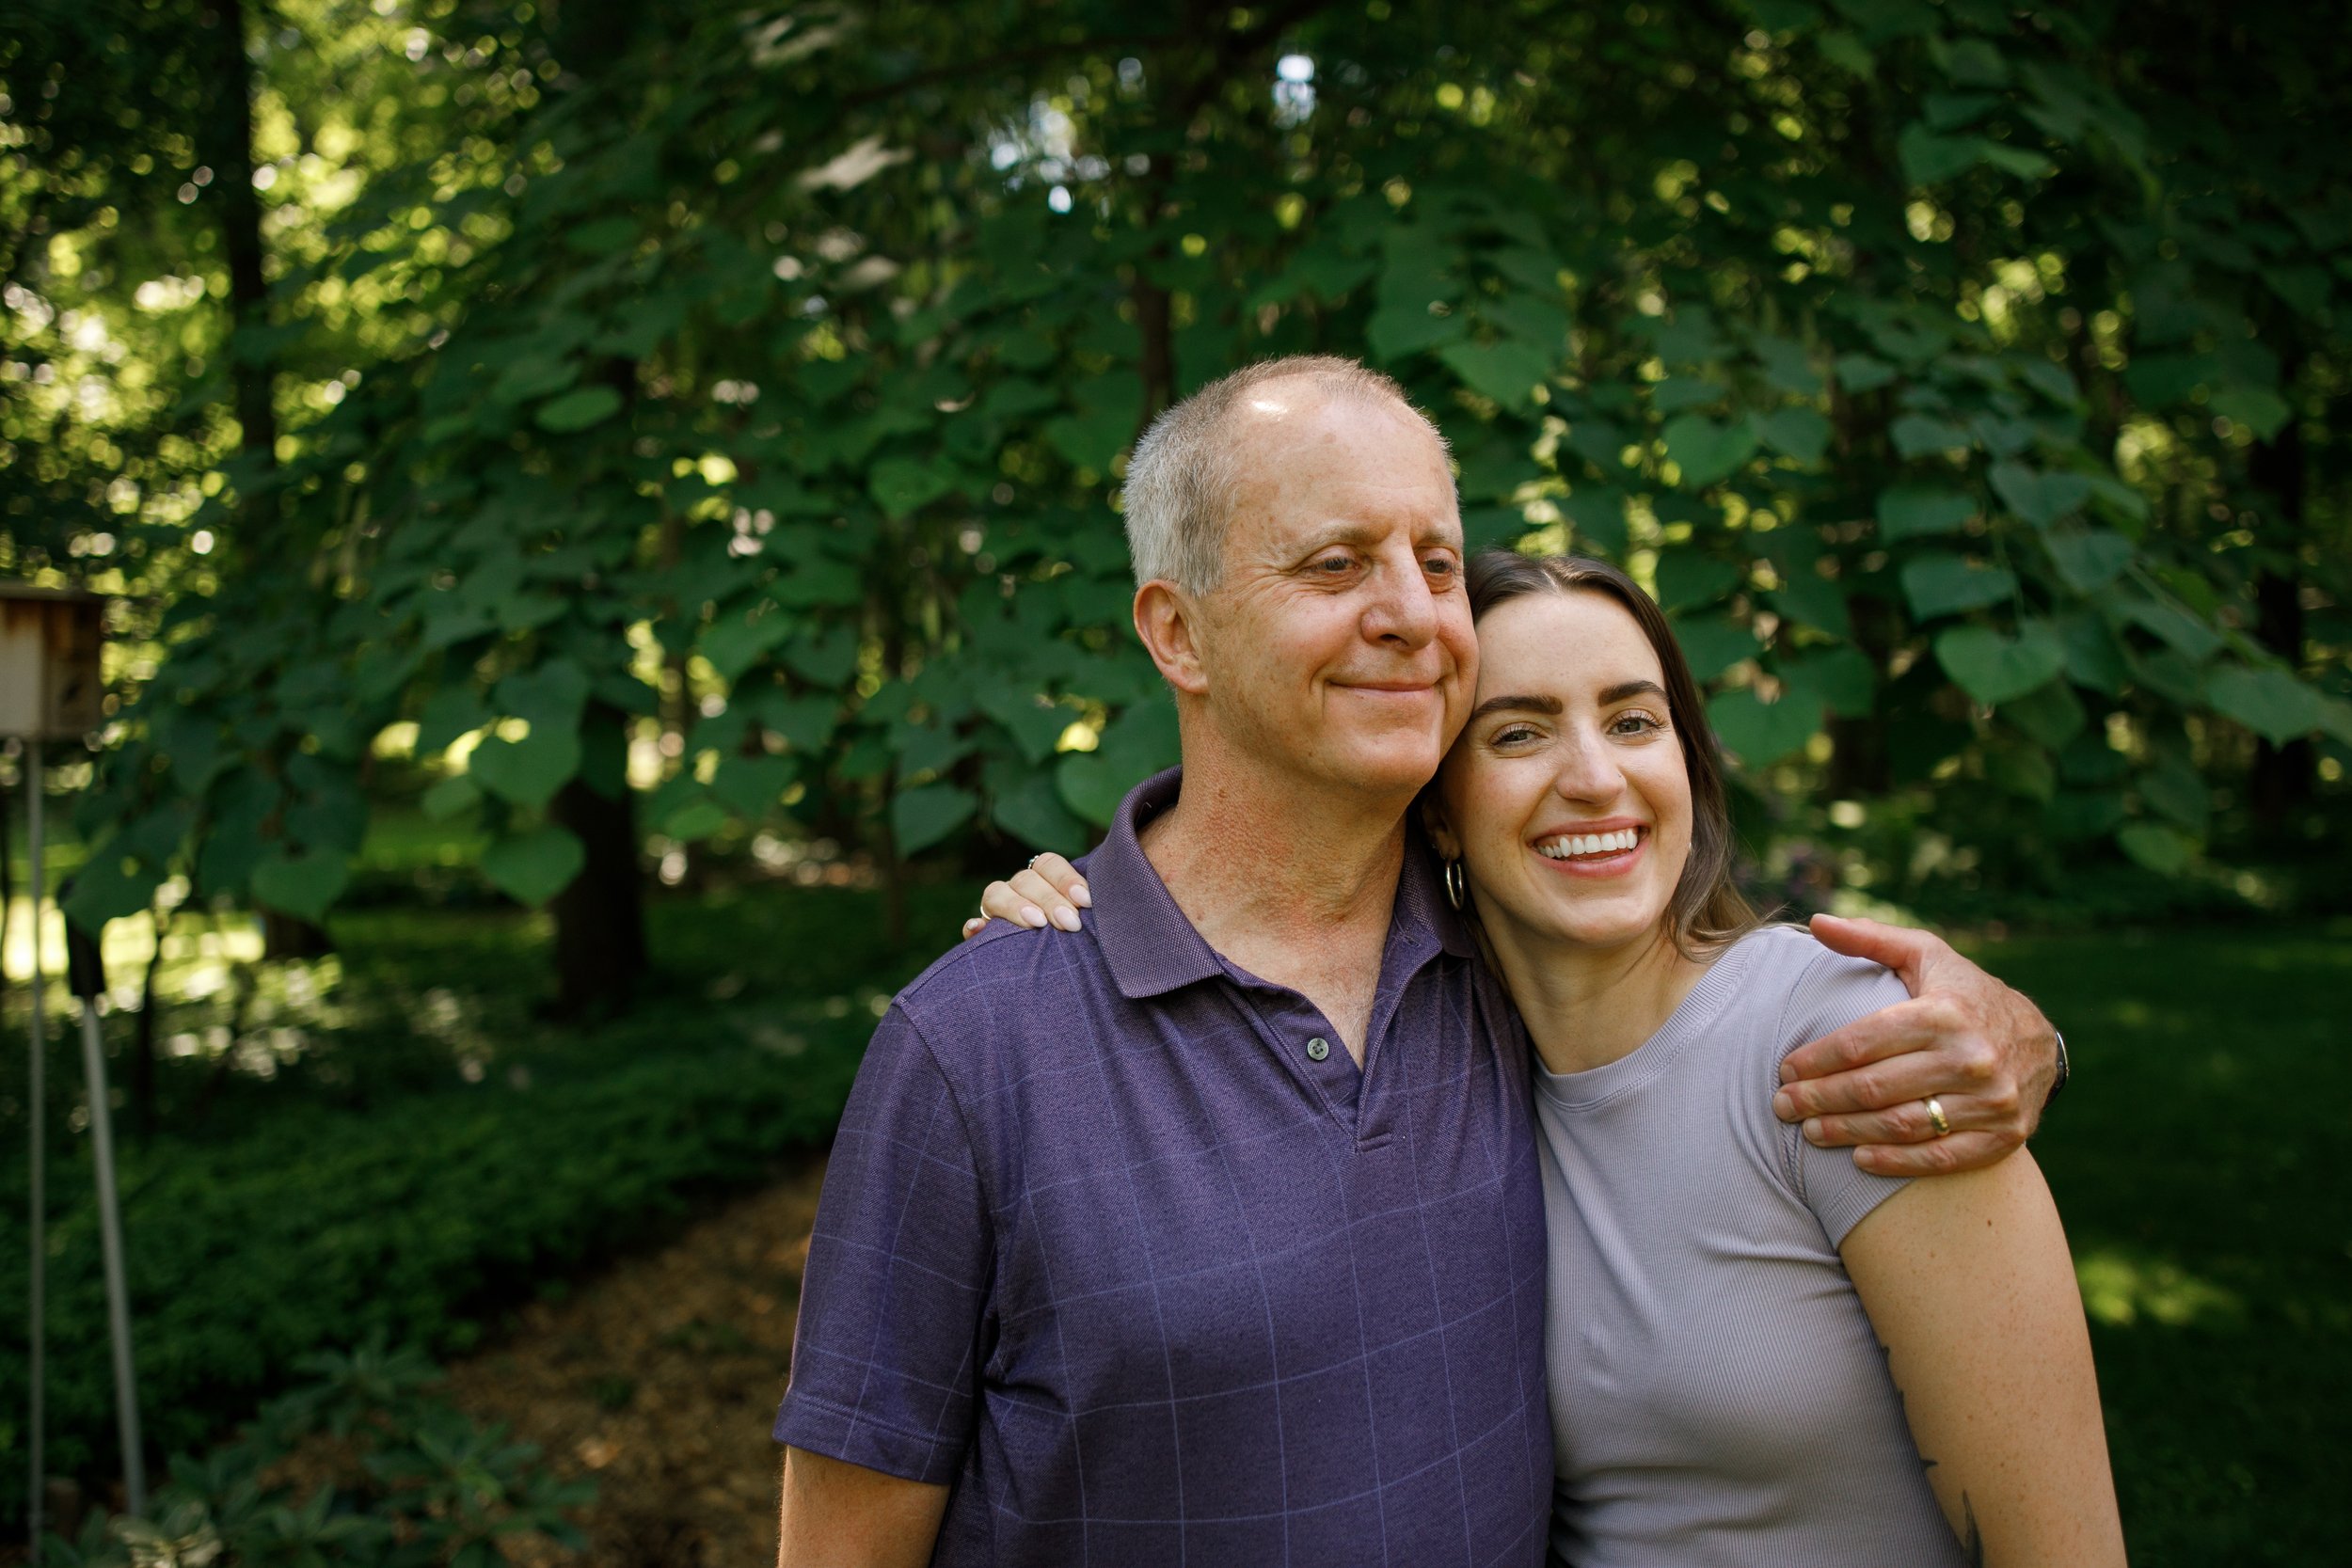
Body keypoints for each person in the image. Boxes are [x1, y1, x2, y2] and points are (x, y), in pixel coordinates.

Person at [776, 356, 2063, 1568]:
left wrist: (2022, 1031)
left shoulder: (1505, 978)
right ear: (1177, 632)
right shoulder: (979, 1042)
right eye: (1336, 563)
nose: (1407, 611)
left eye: (1436, 562)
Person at [985, 552, 2124, 1565]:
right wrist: (1064, 935)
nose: (1593, 777)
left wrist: (2042, 1037)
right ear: (1438, 811)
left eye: (1633, 721)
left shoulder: (1846, 1043)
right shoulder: (1436, 1060)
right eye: (1519, 733)